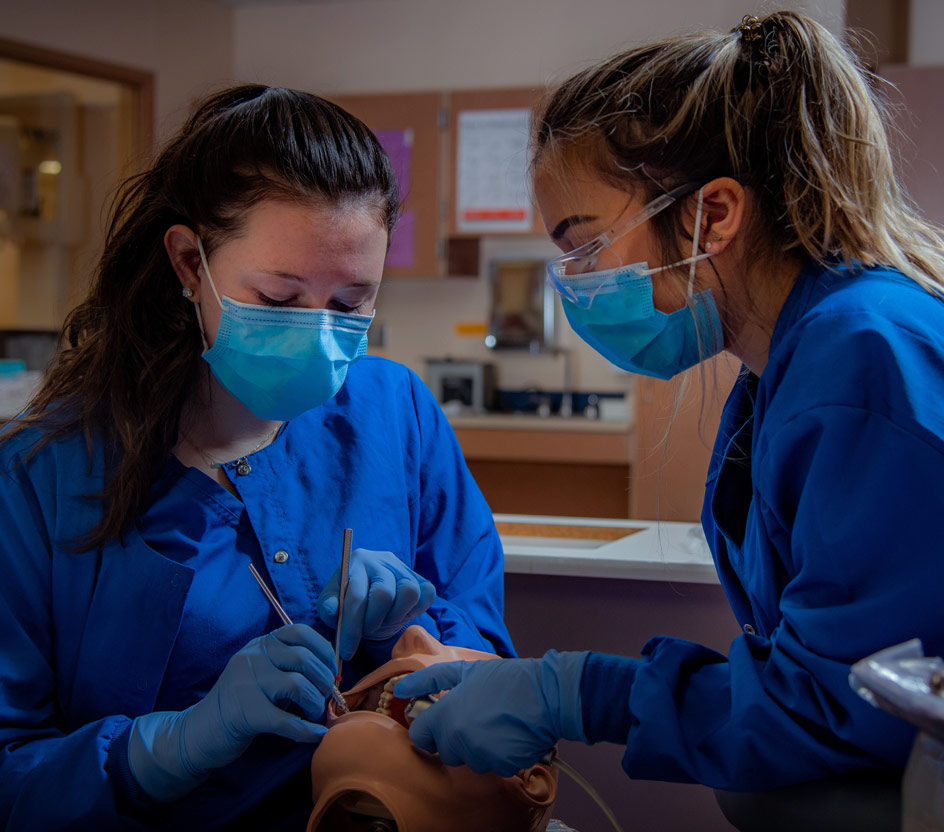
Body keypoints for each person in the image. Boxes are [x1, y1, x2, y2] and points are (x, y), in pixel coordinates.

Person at [396, 7, 944, 813]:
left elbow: (847, 705)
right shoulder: (791, 361)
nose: (575, 284)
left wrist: (578, 693)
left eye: (584, 246)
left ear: (713, 215)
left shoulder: (862, 359)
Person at [0, 84, 513, 830]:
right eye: (277, 298)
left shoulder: (393, 411)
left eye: (349, 305)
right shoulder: (40, 479)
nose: (317, 332)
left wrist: (413, 642)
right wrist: (171, 746)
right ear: (188, 262)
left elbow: (486, 647)